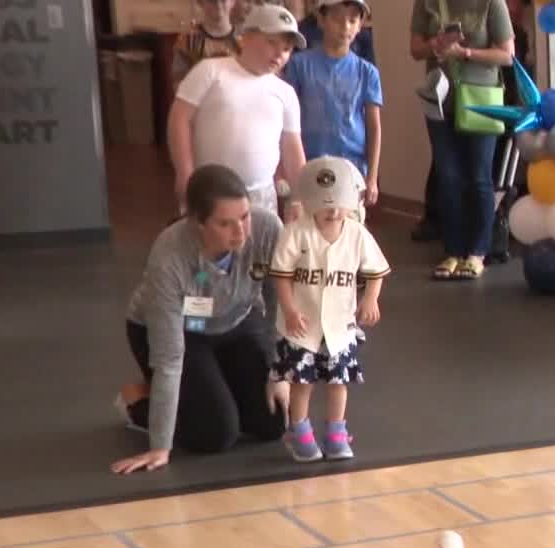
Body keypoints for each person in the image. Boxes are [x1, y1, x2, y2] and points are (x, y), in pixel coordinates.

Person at [112, 165, 289, 475]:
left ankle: (212, 387)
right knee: (215, 434)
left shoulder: (268, 229)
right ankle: (138, 401)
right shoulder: (169, 256)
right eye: (225, 223)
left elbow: (280, 304)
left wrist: (280, 371)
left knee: (272, 422)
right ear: (197, 222)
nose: (241, 232)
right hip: (183, 328)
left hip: (235, 320)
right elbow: (169, 357)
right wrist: (160, 446)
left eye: (245, 216)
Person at [269, 156, 390, 462]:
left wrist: (370, 299)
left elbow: (375, 271)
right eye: (326, 205)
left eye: (341, 204)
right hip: (301, 325)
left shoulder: (357, 234)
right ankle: (299, 429)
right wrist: (289, 309)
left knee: (339, 381)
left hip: (339, 327)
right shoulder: (296, 232)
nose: (334, 212)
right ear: (309, 201)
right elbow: (282, 277)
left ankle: (336, 431)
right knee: (302, 380)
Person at [168, 3, 307, 217]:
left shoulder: (285, 93)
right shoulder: (211, 71)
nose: (280, 54)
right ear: (246, 36)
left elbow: (292, 149)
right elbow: (180, 119)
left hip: (262, 197)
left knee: (260, 248)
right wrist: (184, 172)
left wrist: (299, 198)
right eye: (272, 42)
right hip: (210, 191)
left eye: (287, 49)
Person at [410, 0, 515, 280]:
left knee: (479, 176)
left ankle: (478, 252)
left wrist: (464, 52)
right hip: (440, 99)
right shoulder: (427, 4)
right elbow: (415, 49)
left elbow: (507, 55)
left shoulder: (492, 4)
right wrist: (437, 45)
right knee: (447, 176)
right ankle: (453, 251)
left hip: (480, 99)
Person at [282, 0, 383, 206]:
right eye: (337, 19)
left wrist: (372, 177)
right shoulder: (298, 65)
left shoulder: (367, 72)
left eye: (352, 20)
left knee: (348, 228)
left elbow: (374, 126)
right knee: (307, 228)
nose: (345, 27)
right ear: (321, 19)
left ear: (360, 24)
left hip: (351, 167)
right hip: (307, 163)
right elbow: (285, 119)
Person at [172, 0, 239, 94]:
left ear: (232, 2)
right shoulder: (188, 40)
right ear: (200, 3)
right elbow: (179, 83)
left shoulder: (244, 41)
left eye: (223, 1)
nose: (218, 6)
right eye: (212, 1)